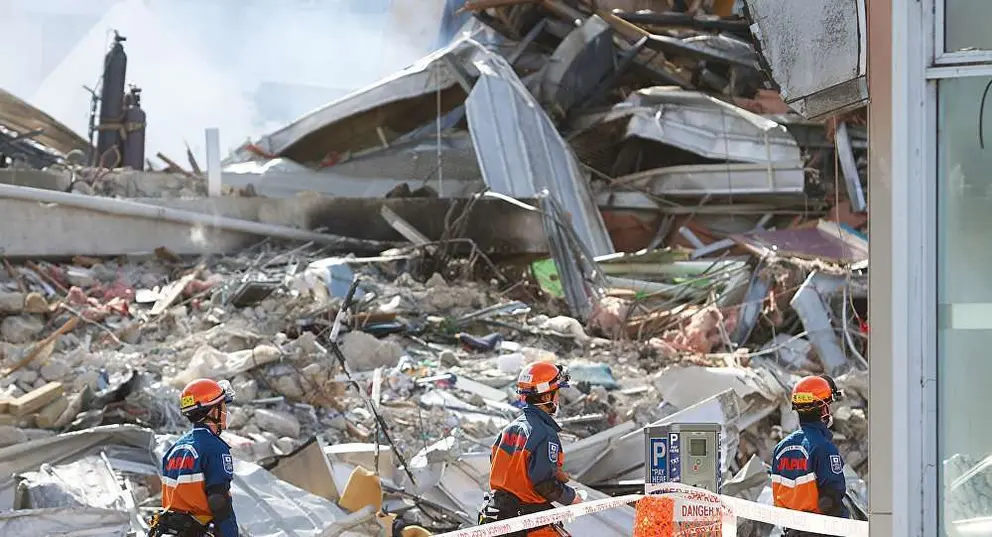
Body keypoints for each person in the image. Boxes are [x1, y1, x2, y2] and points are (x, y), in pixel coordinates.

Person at [479, 361, 582, 537]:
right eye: (556, 394)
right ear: (544, 397)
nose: (558, 399)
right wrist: (572, 498)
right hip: (527, 523)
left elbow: (505, 468)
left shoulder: (508, 430)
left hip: (495, 518)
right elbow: (543, 483)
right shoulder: (545, 434)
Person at [150, 378, 239, 537]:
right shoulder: (215, 447)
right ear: (213, 411)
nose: (226, 412)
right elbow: (218, 500)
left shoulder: (174, 449)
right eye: (223, 406)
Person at [771, 375, 850, 531]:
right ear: (824, 409)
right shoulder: (824, 448)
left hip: (791, 531)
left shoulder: (780, 448)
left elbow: (779, 498)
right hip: (820, 531)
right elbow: (831, 498)